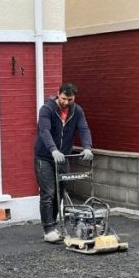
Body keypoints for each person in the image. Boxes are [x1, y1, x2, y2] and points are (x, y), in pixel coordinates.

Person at [33, 83, 93, 243]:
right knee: (48, 193)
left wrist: (87, 147)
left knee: (59, 193)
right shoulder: (47, 109)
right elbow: (44, 131)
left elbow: (84, 129)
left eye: (70, 99)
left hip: (63, 157)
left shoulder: (77, 111)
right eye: (64, 99)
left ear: (74, 98)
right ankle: (48, 230)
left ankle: (53, 225)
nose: (66, 102)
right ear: (58, 95)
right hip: (45, 157)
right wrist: (53, 150)